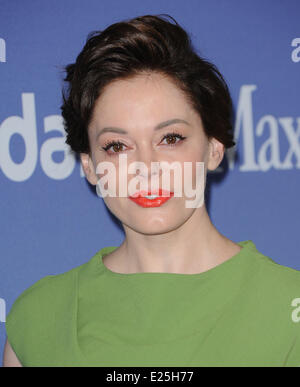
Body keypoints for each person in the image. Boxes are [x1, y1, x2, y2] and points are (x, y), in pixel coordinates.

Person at [3, 14, 300, 367]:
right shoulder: (39, 322)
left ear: (213, 148)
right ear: (89, 165)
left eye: (170, 138)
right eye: (117, 146)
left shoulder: (287, 309)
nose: (146, 167)